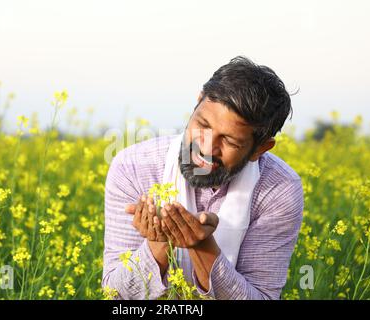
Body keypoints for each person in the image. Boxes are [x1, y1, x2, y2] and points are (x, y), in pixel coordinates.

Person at [102, 56, 304, 300]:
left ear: (260, 149)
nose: (206, 148)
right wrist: (159, 244)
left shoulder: (278, 190)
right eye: (203, 125)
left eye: (229, 141)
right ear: (197, 103)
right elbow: (115, 295)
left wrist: (202, 247)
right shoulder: (134, 167)